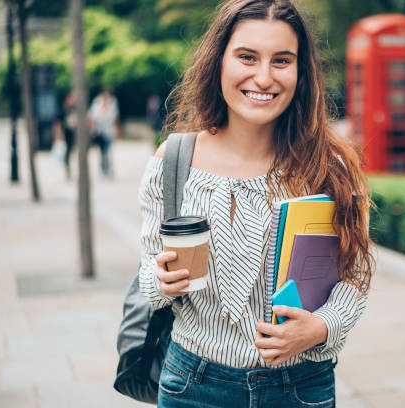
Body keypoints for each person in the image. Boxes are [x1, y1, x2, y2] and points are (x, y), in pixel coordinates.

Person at [137, 1, 374, 406]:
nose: (263, 78)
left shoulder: (329, 168)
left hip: (300, 388)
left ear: (301, 73)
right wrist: (160, 280)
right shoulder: (172, 163)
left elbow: (355, 277)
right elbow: (146, 277)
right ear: (220, 62)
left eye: (282, 60)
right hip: (191, 385)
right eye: (247, 57)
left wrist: (320, 327)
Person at [88, 88, 122, 176]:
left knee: (108, 149)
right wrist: (91, 129)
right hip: (99, 131)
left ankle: (108, 168)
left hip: (109, 131)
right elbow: (92, 117)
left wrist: (118, 130)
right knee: (102, 151)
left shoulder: (112, 102)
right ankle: (103, 167)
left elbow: (115, 117)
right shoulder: (97, 102)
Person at [52, 92, 77, 179]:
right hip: (66, 134)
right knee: (67, 152)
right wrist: (57, 136)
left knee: (71, 151)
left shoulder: (75, 110)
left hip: (74, 134)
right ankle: (68, 168)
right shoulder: (63, 110)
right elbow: (57, 124)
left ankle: (69, 167)